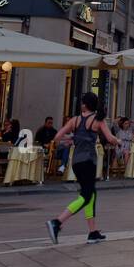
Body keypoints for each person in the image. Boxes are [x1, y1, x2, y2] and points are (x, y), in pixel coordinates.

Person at [46, 93, 120, 245]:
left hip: (76, 162)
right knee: (86, 195)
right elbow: (110, 138)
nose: (81, 104)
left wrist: (71, 139)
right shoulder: (98, 120)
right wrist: (119, 141)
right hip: (89, 161)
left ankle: (92, 232)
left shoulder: (75, 120)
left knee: (91, 193)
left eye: (82, 102)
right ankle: (57, 222)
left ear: (85, 105)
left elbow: (57, 137)